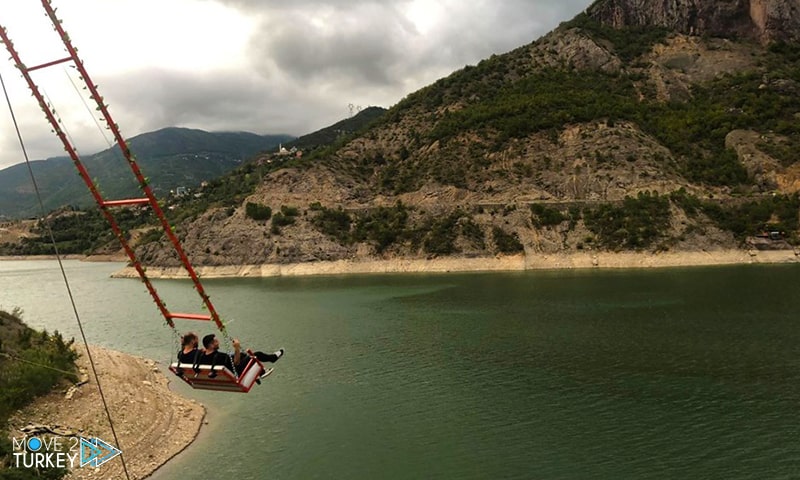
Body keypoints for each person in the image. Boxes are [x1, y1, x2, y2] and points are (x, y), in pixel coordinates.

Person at [200, 333, 284, 379]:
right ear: (210, 345)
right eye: (216, 342)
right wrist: (236, 348)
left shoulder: (202, 356)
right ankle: (272, 359)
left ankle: (260, 372)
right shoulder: (220, 356)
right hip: (237, 373)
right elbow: (236, 363)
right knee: (256, 355)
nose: (218, 342)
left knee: (243, 355)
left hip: (226, 374)